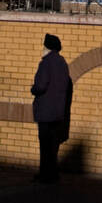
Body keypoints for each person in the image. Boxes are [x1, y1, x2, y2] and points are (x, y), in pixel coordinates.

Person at [30, 33, 72, 183]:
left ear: (47, 47)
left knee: (45, 145)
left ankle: (44, 174)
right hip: (58, 111)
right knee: (53, 146)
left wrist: (33, 89)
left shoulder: (46, 63)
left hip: (46, 111)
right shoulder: (63, 63)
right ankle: (53, 173)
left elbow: (41, 86)